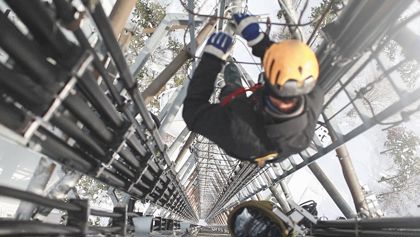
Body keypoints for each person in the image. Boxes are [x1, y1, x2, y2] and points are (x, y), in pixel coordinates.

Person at [182, 13, 324, 166]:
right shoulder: (312, 93)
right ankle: (232, 77)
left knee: (231, 91)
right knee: (234, 90)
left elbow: (192, 112)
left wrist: (211, 61)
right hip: (268, 120)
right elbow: (285, 68)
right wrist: (258, 40)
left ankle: (231, 80)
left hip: (250, 136)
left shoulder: (238, 131)